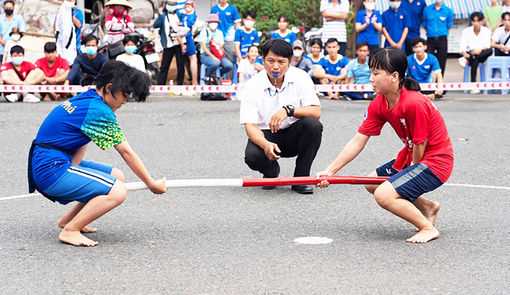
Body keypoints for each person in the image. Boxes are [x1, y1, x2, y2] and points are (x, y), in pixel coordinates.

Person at [316, 47, 454, 244]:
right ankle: (427, 208)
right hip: (412, 156)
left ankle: (427, 228)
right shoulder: (379, 103)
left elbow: (420, 143)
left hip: (436, 163)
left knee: (383, 194)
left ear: (394, 76)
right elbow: (358, 140)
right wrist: (330, 171)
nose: (370, 78)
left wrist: (408, 177)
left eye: (375, 73)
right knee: (371, 182)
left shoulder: (414, 102)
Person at [28, 61, 167, 247]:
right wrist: (151, 184)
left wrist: (74, 168)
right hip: (50, 169)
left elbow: (83, 136)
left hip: (49, 162)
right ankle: (70, 231)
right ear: (109, 88)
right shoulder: (99, 111)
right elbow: (126, 151)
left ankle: (69, 220)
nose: (125, 101)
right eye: (124, 95)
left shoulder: (89, 98)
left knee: (116, 176)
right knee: (118, 191)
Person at [240, 39, 322, 195]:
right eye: (270, 61)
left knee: (313, 125)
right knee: (252, 156)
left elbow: (316, 111)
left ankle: (301, 178)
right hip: (267, 134)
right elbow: (250, 126)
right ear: (262, 60)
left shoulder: (301, 77)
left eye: (281, 61)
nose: (275, 66)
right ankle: (271, 171)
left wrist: (288, 110)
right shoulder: (252, 85)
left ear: (290, 62)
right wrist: (265, 144)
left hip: (294, 134)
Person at [154, 1, 186, 85]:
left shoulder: (179, 14)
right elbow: (156, 25)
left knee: (180, 65)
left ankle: (180, 84)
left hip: (179, 43)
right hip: (168, 44)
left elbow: (186, 24)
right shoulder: (163, 15)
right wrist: (160, 15)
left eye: (173, 5)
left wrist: (182, 24)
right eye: (169, 5)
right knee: (164, 66)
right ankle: (161, 84)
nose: (171, 7)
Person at [459, 12, 492, 92]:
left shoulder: (487, 31)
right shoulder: (466, 31)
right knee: (475, 60)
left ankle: (473, 85)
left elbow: (487, 45)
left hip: (482, 53)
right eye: (474, 21)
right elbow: (462, 45)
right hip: (470, 54)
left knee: (489, 51)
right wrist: (464, 53)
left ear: (482, 21)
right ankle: (473, 85)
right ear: (471, 21)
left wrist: (478, 51)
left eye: (478, 21)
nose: (476, 23)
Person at [422, 0, 454, 76]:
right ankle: (427, 81)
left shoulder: (448, 10)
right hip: (430, 39)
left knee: (442, 61)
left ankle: (439, 83)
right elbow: (425, 24)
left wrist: (440, 32)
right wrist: (432, 32)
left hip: (442, 39)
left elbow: (449, 25)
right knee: (427, 60)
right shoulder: (427, 9)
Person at [211, 0, 241, 77]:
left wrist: (238, 38)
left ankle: (229, 80)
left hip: (229, 39)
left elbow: (237, 24)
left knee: (230, 60)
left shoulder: (233, 9)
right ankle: (214, 79)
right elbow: (211, 23)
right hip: (216, 39)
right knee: (214, 60)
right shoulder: (214, 9)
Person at [199, 13, 233, 79]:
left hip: (217, 54)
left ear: (217, 23)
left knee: (229, 65)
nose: (213, 23)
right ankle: (207, 76)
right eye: (211, 22)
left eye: (215, 22)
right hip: (206, 55)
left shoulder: (219, 32)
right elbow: (204, 48)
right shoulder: (204, 32)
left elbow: (221, 45)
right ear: (208, 23)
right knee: (215, 63)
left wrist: (215, 46)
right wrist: (214, 58)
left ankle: (218, 74)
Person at [177, 0, 198, 85]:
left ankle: (195, 81)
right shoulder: (183, 14)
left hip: (188, 37)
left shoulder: (193, 15)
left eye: (189, 6)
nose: (187, 8)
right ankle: (180, 82)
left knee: (193, 59)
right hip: (180, 38)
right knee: (181, 61)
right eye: (186, 6)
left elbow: (190, 23)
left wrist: (181, 23)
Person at [54, 0, 79, 66]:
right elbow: (57, 28)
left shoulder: (77, 12)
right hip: (61, 43)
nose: (70, 1)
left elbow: (79, 25)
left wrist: (71, 15)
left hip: (72, 44)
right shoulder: (62, 9)